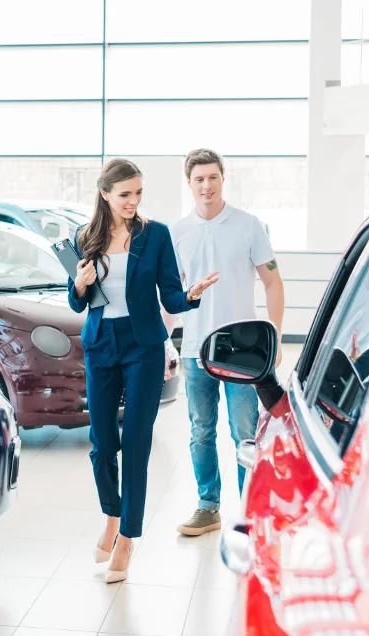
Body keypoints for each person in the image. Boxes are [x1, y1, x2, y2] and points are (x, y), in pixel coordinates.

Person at [69, 158, 218, 583]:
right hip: (101, 344)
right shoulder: (86, 237)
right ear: (105, 194)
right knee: (101, 444)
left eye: (138, 193)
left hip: (144, 346)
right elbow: (78, 302)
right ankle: (112, 516)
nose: (133, 201)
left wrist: (191, 296)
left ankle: (128, 538)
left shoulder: (156, 235)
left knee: (135, 443)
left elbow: (170, 297)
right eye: (124, 194)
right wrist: (78, 285)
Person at [166, 148, 285, 537]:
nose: (206, 185)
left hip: (242, 352)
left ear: (223, 178)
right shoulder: (177, 232)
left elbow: (272, 281)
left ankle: (249, 510)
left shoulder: (249, 225)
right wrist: (165, 342)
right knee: (201, 429)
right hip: (195, 349)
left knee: (244, 433)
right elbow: (169, 297)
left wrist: (276, 336)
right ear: (189, 183)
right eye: (198, 179)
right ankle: (207, 506)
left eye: (212, 177)